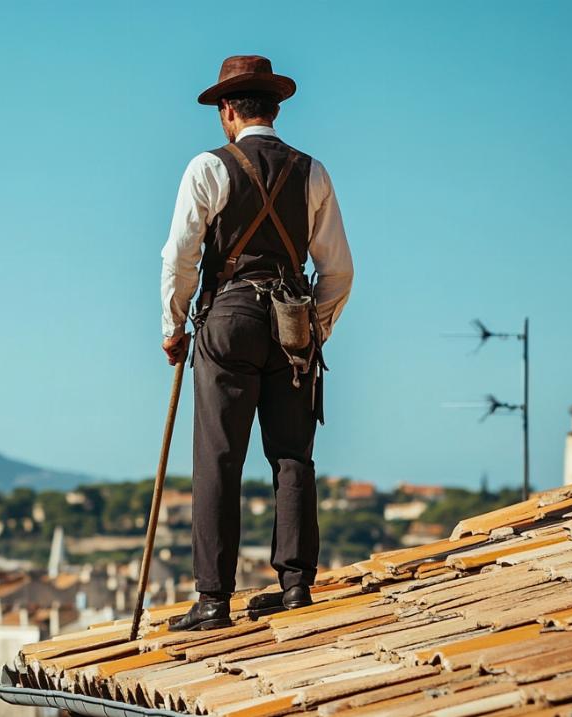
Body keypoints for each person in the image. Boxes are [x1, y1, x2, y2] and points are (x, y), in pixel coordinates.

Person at [160, 55, 353, 630]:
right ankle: (295, 587)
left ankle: (214, 599)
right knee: (293, 454)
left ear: (227, 111)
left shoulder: (207, 167)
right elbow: (339, 272)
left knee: (219, 457)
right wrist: (315, 326)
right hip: (293, 317)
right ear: (273, 108)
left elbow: (180, 257)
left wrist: (173, 326)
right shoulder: (312, 171)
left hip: (230, 315)